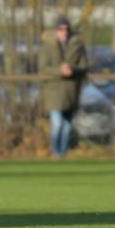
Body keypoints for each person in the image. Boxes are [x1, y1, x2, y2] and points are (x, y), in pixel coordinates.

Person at [38, 15, 88, 157]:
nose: (64, 32)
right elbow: (43, 67)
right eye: (60, 29)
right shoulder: (47, 46)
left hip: (71, 90)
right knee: (57, 124)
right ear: (55, 30)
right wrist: (60, 70)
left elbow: (84, 65)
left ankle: (63, 154)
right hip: (53, 90)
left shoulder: (77, 45)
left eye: (66, 29)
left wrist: (72, 69)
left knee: (66, 126)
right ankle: (56, 152)